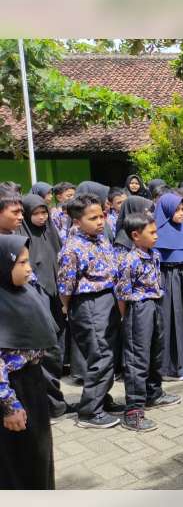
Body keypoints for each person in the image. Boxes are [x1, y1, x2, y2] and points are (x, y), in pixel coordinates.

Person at [57, 194, 121, 429]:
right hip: (88, 305)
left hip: (107, 300)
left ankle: (101, 398)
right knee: (100, 356)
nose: (100, 221)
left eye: (101, 216)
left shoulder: (101, 239)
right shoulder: (72, 249)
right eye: (93, 218)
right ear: (77, 221)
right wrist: (66, 308)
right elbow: (65, 286)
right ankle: (90, 412)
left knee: (109, 354)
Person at [0, 235, 59, 489]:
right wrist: (9, 407)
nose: (28, 268)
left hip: (31, 382)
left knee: (38, 455)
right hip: (11, 392)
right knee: (18, 463)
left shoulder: (22, 292)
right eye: (21, 262)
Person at [116, 212, 182, 432]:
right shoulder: (130, 260)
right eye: (151, 232)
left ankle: (154, 393)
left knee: (156, 352)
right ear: (136, 235)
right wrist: (127, 317)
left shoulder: (153, 254)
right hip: (138, 309)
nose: (156, 236)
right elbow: (122, 294)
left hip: (155, 305)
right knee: (138, 359)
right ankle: (133, 412)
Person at [20, 195, 72, 419]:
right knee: (45, 354)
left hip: (55, 300)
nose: (41, 217)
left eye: (44, 213)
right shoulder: (22, 238)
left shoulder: (50, 232)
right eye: (36, 213)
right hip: (36, 301)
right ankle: (49, 404)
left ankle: (55, 401)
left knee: (56, 352)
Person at [153, 193, 183, 380]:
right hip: (169, 279)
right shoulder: (157, 233)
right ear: (166, 212)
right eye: (177, 210)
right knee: (172, 320)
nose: (182, 213)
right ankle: (171, 366)